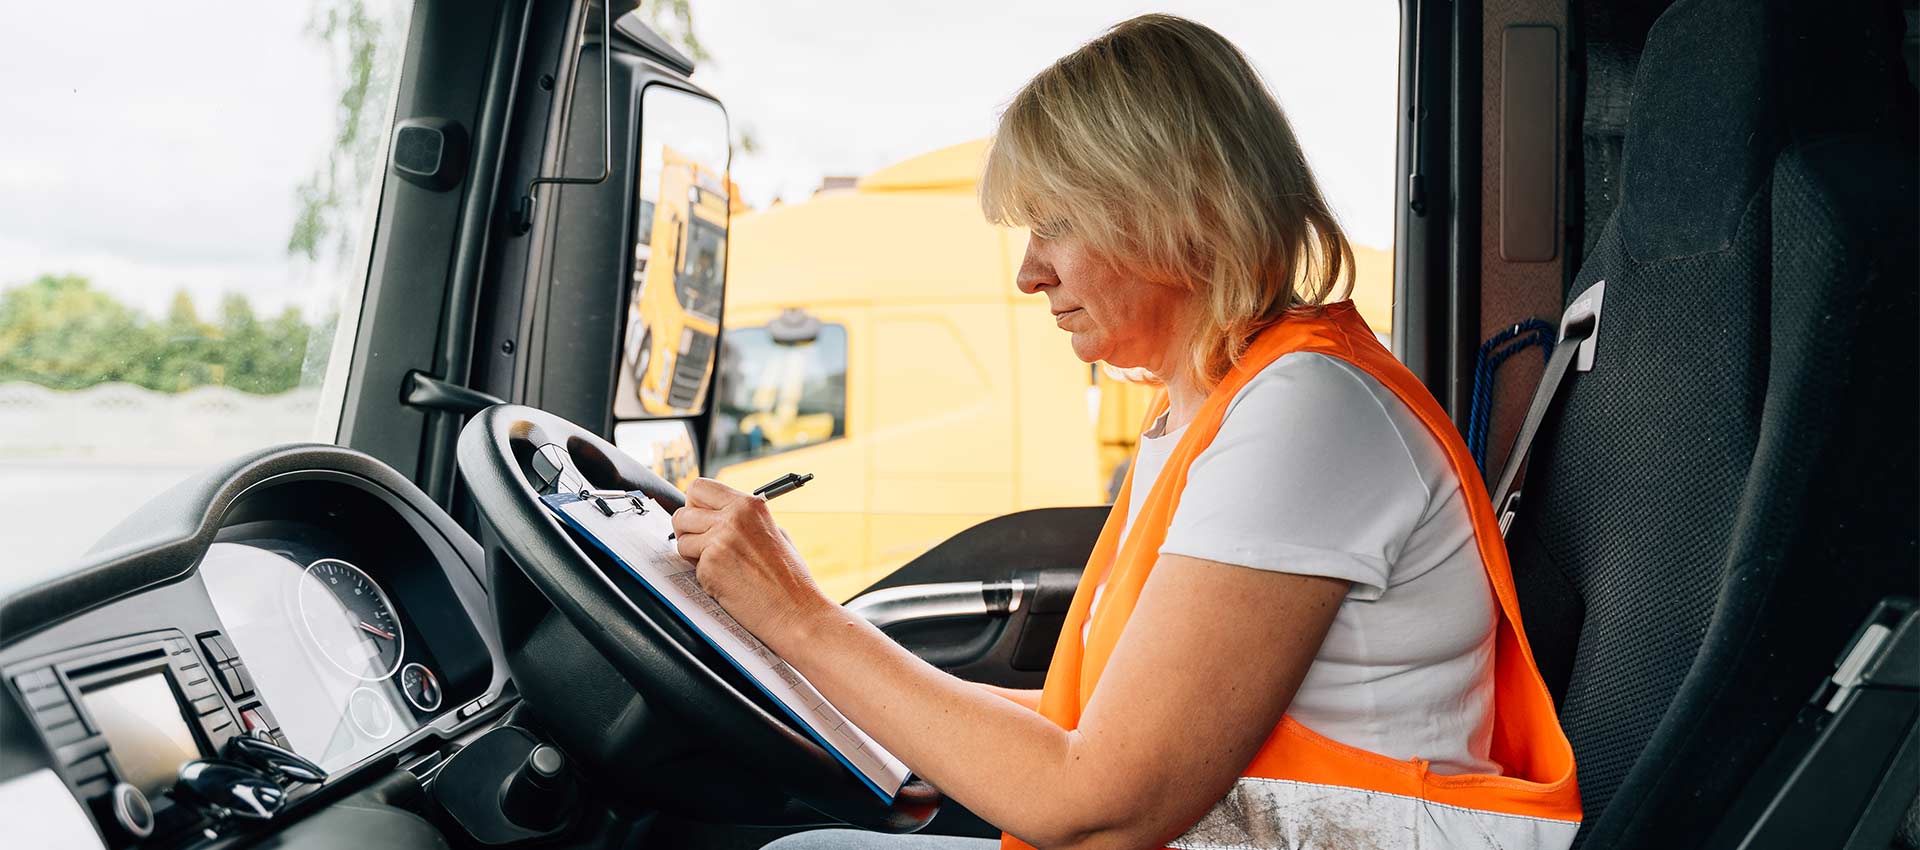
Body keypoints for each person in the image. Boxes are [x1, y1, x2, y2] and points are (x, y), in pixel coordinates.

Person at [669, 14, 1579, 850]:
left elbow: (1105, 803)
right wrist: (883, 726)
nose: (1029, 273)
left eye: (1055, 224)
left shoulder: (1307, 411)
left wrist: (798, 617)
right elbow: (1103, 727)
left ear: (1176, 210)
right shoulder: (1212, 410)